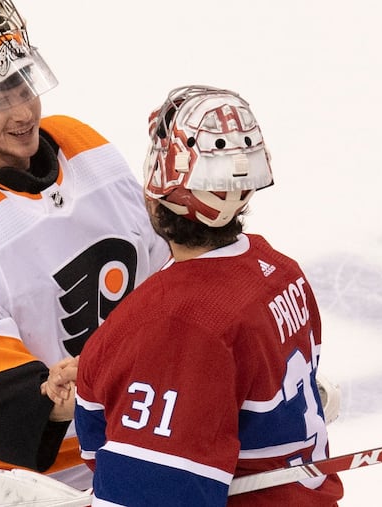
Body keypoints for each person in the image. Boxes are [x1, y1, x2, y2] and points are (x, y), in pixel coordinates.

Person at [0, 1, 170, 505]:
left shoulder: (85, 147)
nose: (21, 112)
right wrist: (55, 399)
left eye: (22, 83)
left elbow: (164, 273)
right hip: (2, 477)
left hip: (134, 440)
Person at [69, 85, 345, 505]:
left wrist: (130, 369)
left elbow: (152, 495)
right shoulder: (280, 271)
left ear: (159, 187)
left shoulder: (174, 325)